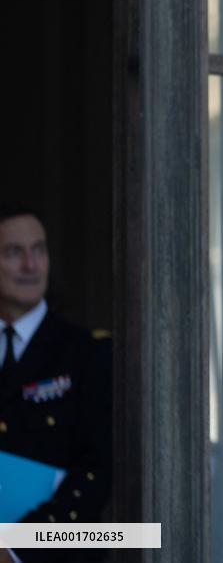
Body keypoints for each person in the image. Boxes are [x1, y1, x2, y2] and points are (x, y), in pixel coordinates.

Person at [0, 204, 112, 563]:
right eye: (14, 252)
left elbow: (95, 471)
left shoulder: (86, 352)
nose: (31, 266)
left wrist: (16, 549)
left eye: (40, 250)